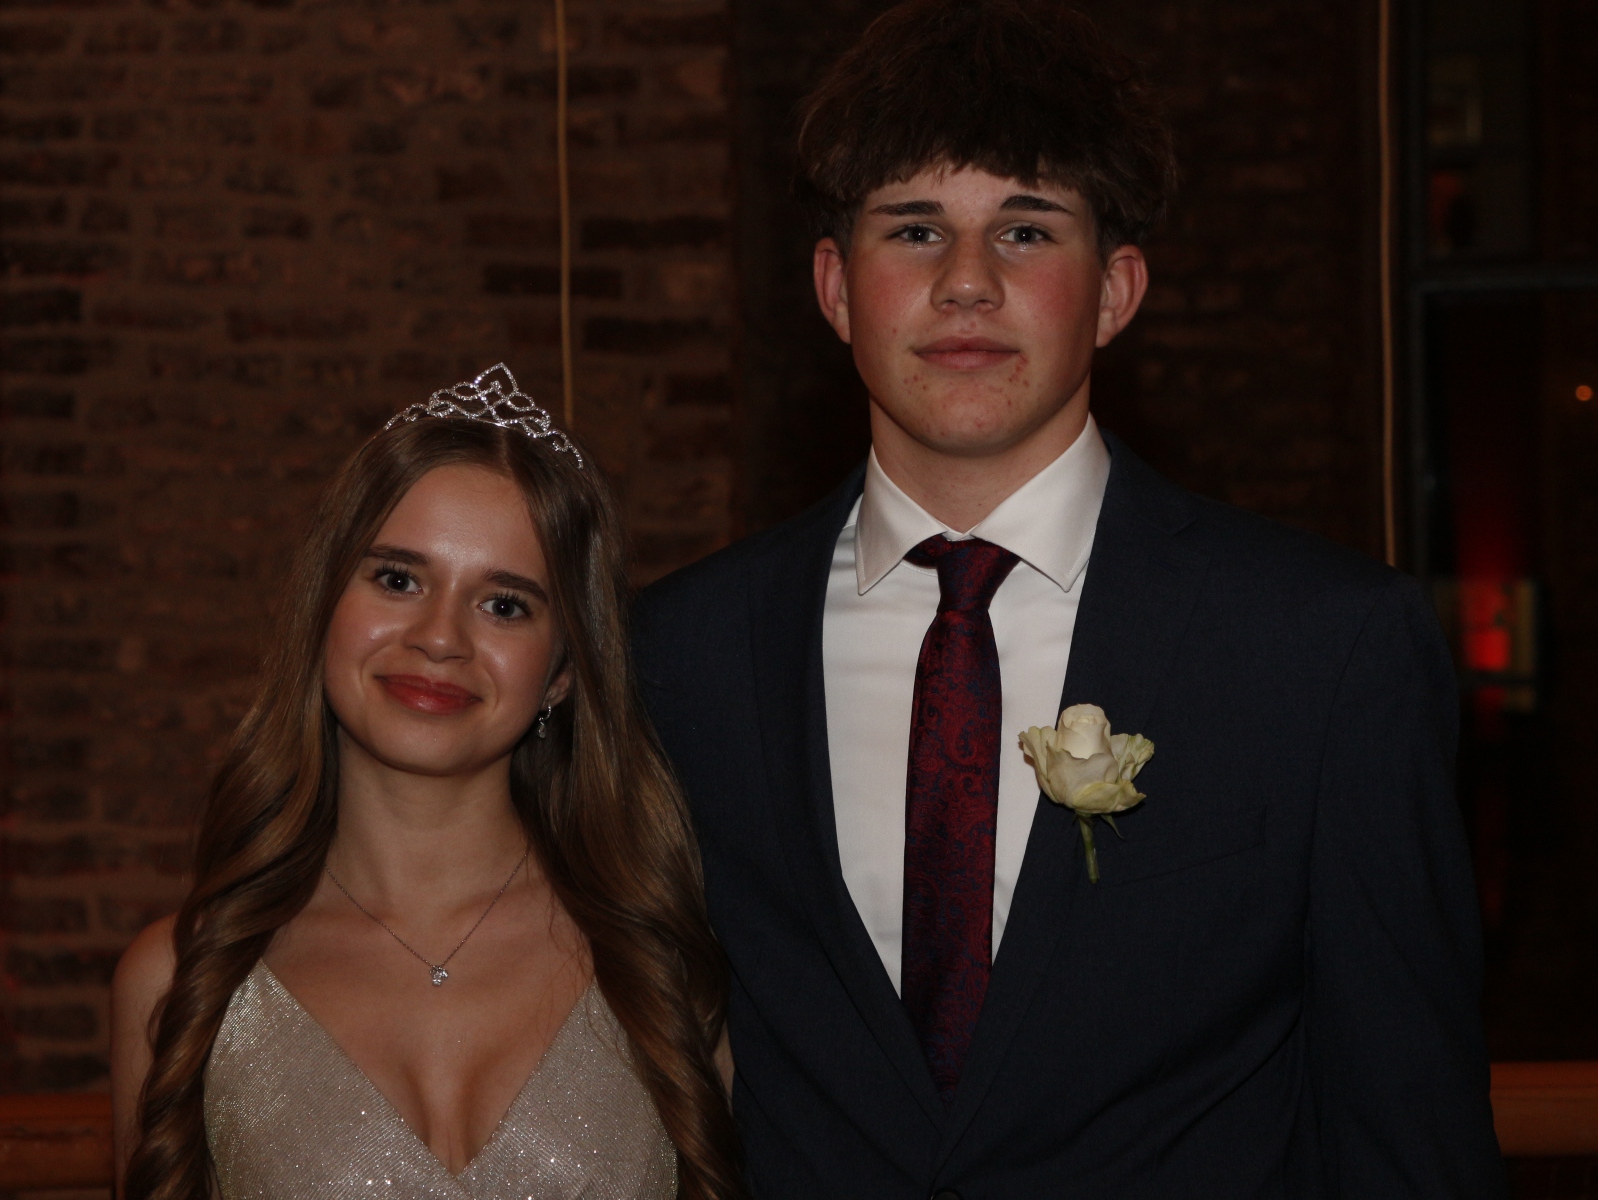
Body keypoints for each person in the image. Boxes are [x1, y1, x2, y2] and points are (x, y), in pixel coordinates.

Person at [633, 1, 1507, 1196]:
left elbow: (1411, 1136)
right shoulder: (683, 655)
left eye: (1028, 230)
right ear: (836, 288)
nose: (967, 282)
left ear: (1114, 291)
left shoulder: (1323, 650)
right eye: (915, 229)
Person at [111, 366, 743, 1200]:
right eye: (398, 579)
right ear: (324, 608)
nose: (440, 637)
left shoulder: (666, 959)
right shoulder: (182, 980)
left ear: (562, 672)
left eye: (505, 605)